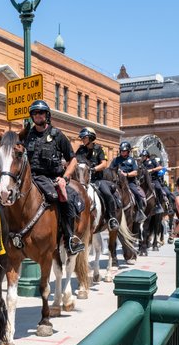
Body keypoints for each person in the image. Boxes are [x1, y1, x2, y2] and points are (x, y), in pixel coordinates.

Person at [23, 99, 85, 255]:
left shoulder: (57, 135)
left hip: (53, 178)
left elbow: (73, 160)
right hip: (32, 178)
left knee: (67, 199)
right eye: (35, 113)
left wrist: (64, 178)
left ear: (47, 115)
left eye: (41, 112)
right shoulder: (27, 135)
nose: (38, 115)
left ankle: (70, 238)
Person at [75, 127, 119, 231]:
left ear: (91, 137)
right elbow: (74, 161)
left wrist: (93, 169)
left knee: (107, 194)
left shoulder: (99, 149)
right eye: (81, 138)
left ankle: (112, 218)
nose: (82, 139)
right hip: (82, 180)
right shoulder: (80, 149)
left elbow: (104, 164)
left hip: (97, 180)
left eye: (84, 137)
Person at [111, 141, 147, 223]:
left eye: (124, 151)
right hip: (117, 182)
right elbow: (110, 170)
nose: (123, 152)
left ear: (128, 151)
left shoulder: (132, 160)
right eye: (122, 151)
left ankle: (140, 212)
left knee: (137, 193)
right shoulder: (115, 160)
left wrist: (126, 174)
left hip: (129, 182)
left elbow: (135, 172)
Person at [140, 150, 171, 215]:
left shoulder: (153, 161)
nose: (142, 158)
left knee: (158, 188)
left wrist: (152, 170)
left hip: (154, 179)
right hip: (145, 180)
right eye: (141, 156)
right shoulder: (142, 164)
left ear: (147, 156)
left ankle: (159, 204)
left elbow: (160, 167)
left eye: (143, 156)